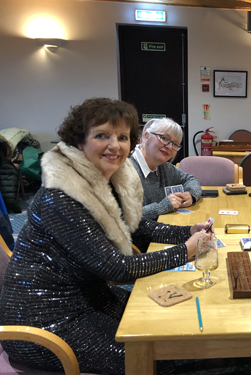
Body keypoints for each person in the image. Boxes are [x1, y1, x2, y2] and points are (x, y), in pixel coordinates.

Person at [0, 98, 211, 375]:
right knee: (157, 357)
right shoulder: (62, 195)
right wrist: (185, 250)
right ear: (79, 142)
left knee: (168, 322)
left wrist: (188, 232)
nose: (115, 145)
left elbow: (134, 225)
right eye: (102, 136)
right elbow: (117, 268)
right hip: (46, 322)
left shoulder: (102, 180)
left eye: (122, 137)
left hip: (88, 297)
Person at [131, 118, 202, 220]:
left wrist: (191, 194)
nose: (169, 146)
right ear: (147, 136)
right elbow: (123, 218)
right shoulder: (125, 170)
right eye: (164, 138)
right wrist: (162, 206)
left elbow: (191, 179)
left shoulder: (164, 167)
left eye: (175, 144)